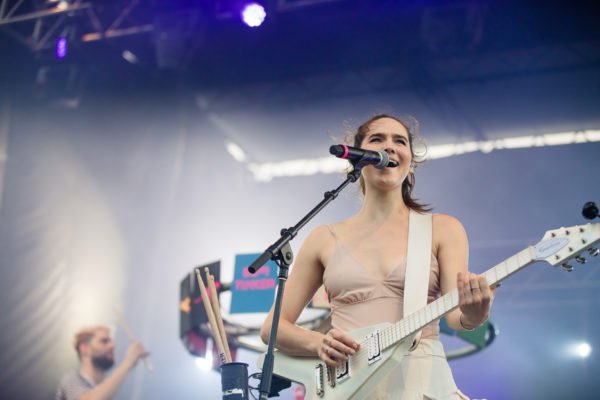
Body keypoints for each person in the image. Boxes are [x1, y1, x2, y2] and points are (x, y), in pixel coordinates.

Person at [260, 114, 496, 399]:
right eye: (377, 139)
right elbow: (273, 329)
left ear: (410, 161)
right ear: (358, 158)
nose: (390, 146)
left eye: (400, 141)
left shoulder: (443, 229)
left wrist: (475, 313)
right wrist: (319, 343)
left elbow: (458, 318)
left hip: (422, 385)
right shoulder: (323, 238)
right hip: (350, 390)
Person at [55, 325, 149, 400]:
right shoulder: (69, 381)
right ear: (84, 348)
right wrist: (127, 363)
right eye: (104, 341)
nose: (112, 346)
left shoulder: (105, 390)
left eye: (111, 342)